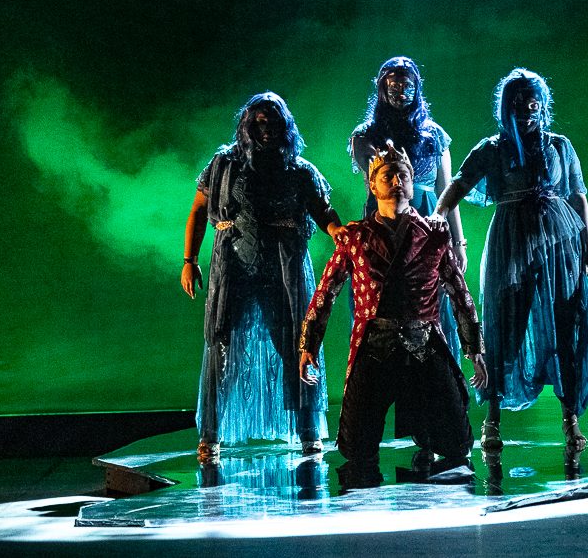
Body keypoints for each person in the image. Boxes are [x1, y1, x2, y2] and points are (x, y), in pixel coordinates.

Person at [434, 68, 588, 451]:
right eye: (518, 103)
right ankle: (492, 420)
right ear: (507, 107)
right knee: (503, 326)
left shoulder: (560, 145)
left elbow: (578, 196)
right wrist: (438, 214)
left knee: (565, 326)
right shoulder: (493, 148)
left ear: (542, 104)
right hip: (510, 242)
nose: (527, 111)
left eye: (533, 102)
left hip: (558, 243)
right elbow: (459, 183)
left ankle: (570, 418)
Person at [299, 142, 487, 485]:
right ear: (373, 185)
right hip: (376, 346)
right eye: (389, 175)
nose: (398, 181)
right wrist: (308, 345)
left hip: (425, 346)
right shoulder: (355, 237)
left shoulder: (433, 235)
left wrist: (475, 350)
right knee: (356, 449)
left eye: (404, 174)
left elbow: (460, 294)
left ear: (413, 183)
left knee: (457, 444)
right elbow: (326, 291)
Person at [181, 92, 343, 463]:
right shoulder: (223, 164)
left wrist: (344, 236)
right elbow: (198, 209)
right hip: (233, 265)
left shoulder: (300, 170)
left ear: (286, 126)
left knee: (295, 343)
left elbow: (324, 212)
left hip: (283, 269)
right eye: (259, 122)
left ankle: (306, 432)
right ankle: (210, 436)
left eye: (273, 122)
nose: (266, 129)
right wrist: (189, 259)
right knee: (220, 346)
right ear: (247, 124)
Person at [348, 56, 467, 361]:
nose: (401, 91)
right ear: (382, 89)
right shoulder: (365, 135)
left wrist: (457, 241)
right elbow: (372, 181)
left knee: (428, 300)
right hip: (384, 219)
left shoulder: (435, 135)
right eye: (393, 85)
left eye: (407, 85)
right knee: (384, 297)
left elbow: (447, 191)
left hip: (428, 218)